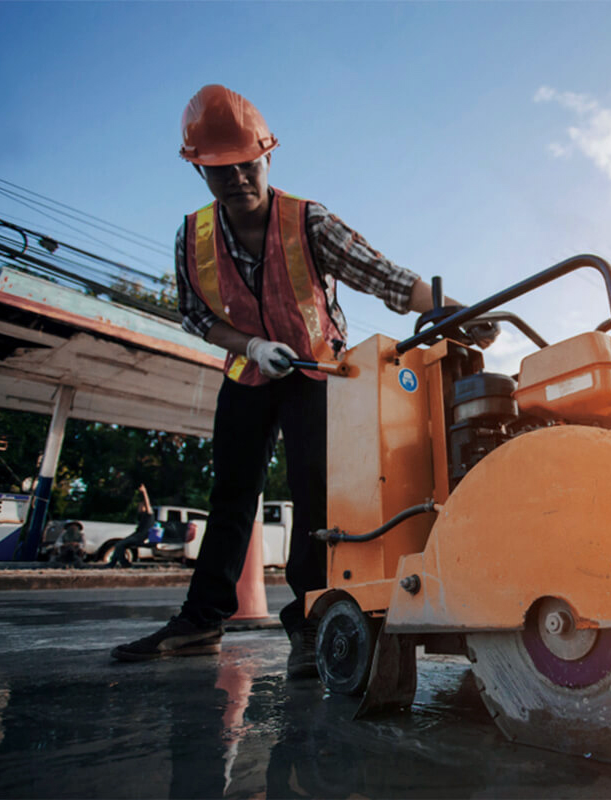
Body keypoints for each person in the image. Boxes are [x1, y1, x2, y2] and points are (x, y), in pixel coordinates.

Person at [111, 84, 496, 678]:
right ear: (200, 172)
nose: (238, 177)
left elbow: (383, 276)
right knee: (232, 495)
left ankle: (311, 619)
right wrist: (252, 347)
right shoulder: (194, 237)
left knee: (316, 492)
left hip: (316, 372)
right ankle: (201, 620)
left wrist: (454, 310)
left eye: (248, 164)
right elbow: (196, 315)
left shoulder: (305, 221)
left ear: (268, 156)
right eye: (221, 169)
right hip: (248, 372)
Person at [109, 484, 155, 568]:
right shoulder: (141, 516)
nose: (138, 507)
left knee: (120, 545)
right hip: (136, 535)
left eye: (140, 505)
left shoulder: (149, 514)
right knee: (119, 544)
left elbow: (147, 503)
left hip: (141, 537)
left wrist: (144, 492)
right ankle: (113, 563)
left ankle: (124, 564)